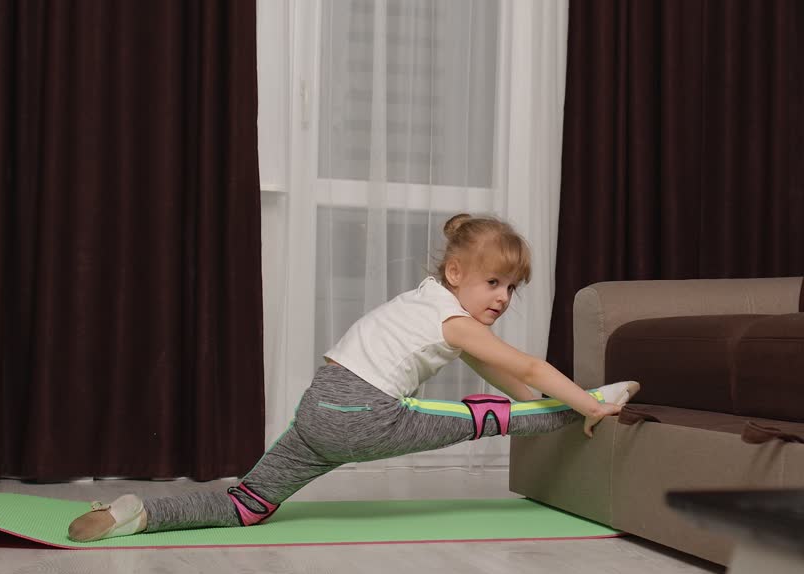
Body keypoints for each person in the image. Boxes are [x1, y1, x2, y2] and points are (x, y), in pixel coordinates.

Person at [67, 213, 640, 542]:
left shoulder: (426, 305)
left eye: (513, 289)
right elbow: (529, 368)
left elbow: (513, 382)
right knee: (482, 417)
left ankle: (134, 514)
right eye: (494, 283)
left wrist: (541, 404)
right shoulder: (454, 321)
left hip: (319, 410)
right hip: (365, 415)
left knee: (249, 502)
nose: (504, 298)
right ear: (457, 272)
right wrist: (585, 406)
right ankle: (603, 401)